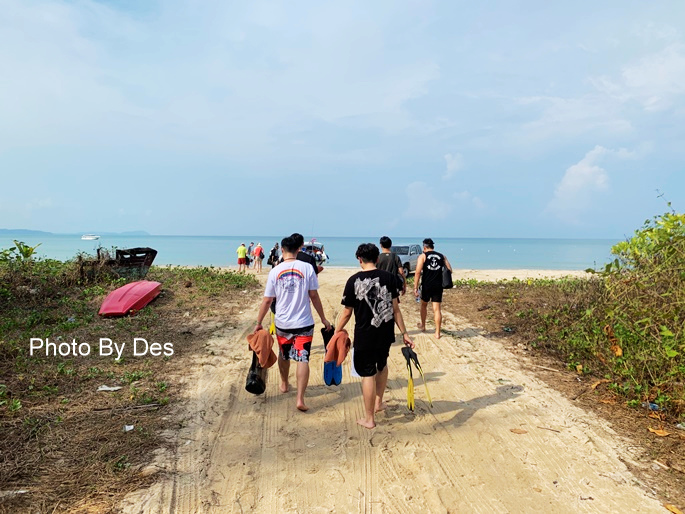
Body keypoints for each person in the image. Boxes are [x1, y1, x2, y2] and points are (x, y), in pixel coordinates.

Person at [335, 243, 414, 429]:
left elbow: (347, 313)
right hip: (385, 334)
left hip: (364, 335)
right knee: (382, 365)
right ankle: (378, 402)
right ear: (377, 259)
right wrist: (405, 333)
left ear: (359, 259)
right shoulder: (389, 278)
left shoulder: (353, 280)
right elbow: (396, 310)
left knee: (367, 374)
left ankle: (369, 419)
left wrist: (337, 331)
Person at [254, 235, 332, 412]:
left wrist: (259, 322)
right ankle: (300, 399)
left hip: (283, 323)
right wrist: (323, 318)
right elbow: (314, 296)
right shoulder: (307, 268)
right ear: (298, 249)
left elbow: (267, 300)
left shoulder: (275, 271)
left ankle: (284, 383)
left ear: (282, 250)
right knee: (303, 358)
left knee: (284, 354)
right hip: (304, 322)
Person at [414, 238, 453, 339]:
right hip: (438, 285)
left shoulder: (422, 256)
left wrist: (415, 287)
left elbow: (417, 272)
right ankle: (437, 333)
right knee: (437, 309)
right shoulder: (442, 256)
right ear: (433, 246)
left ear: (424, 247)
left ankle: (423, 326)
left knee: (423, 305)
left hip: (426, 285)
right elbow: (450, 270)